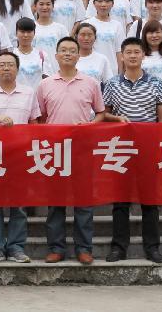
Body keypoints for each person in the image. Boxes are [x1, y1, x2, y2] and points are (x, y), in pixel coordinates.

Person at [36, 36, 106, 264]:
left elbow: (101, 113)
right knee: (55, 202)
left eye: (72, 50)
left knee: (83, 201)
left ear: (78, 55)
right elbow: (41, 117)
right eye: (63, 50)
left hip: (82, 148)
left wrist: (90, 125)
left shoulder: (91, 82)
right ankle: (56, 248)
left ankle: (84, 248)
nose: (67, 54)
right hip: (55, 150)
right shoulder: (45, 84)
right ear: (56, 56)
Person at [101, 37, 162, 263]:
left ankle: (152, 247)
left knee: (149, 200)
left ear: (143, 55)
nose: (132, 56)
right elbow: (104, 114)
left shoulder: (157, 83)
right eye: (128, 52)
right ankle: (119, 247)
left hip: (148, 148)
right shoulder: (112, 84)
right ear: (122, 56)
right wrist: (117, 118)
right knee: (120, 200)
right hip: (120, 148)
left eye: (136, 52)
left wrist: (160, 145)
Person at [0, 51, 40, 263]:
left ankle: (16, 247)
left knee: (18, 205)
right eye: (1, 65)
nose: (6, 68)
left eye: (10, 64)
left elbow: (34, 123)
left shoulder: (29, 92)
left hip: (20, 155)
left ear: (17, 69)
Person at [81, 0, 126, 75]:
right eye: (100, 1)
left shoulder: (117, 25)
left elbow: (119, 51)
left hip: (112, 71)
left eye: (107, 1)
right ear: (94, 3)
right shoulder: (86, 24)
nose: (103, 5)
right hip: (91, 71)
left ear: (112, 4)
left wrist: (120, 74)